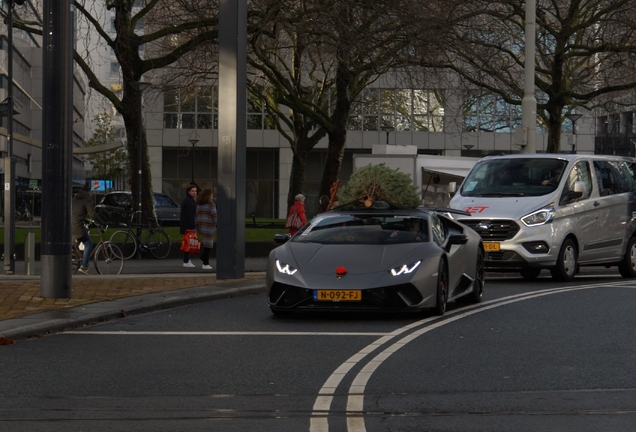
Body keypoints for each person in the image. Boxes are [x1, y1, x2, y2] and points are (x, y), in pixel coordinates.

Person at [72, 183, 95, 274]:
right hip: (77, 226)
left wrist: (85, 220)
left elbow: (77, 213)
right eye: (91, 191)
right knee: (88, 243)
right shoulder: (87, 200)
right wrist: (102, 222)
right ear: (88, 192)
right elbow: (92, 215)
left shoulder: (75, 199)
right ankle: (84, 266)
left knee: (79, 237)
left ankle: (75, 248)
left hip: (70, 225)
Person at [195, 188, 217, 270]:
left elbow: (196, 216)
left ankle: (204, 259)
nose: (212, 195)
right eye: (211, 194)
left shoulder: (199, 204)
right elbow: (214, 215)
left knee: (206, 244)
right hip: (209, 225)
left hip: (201, 225)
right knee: (208, 245)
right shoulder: (211, 204)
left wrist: (197, 227)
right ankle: (205, 262)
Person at [180, 184, 197, 268]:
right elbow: (190, 215)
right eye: (192, 191)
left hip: (186, 225)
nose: (194, 193)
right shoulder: (189, 201)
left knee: (187, 242)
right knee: (187, 243)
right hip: (188, 226)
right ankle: (186, 261)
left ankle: (187, 260)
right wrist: (193, 226)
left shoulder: (187, 200)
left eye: (195, 191)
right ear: (188, 192)